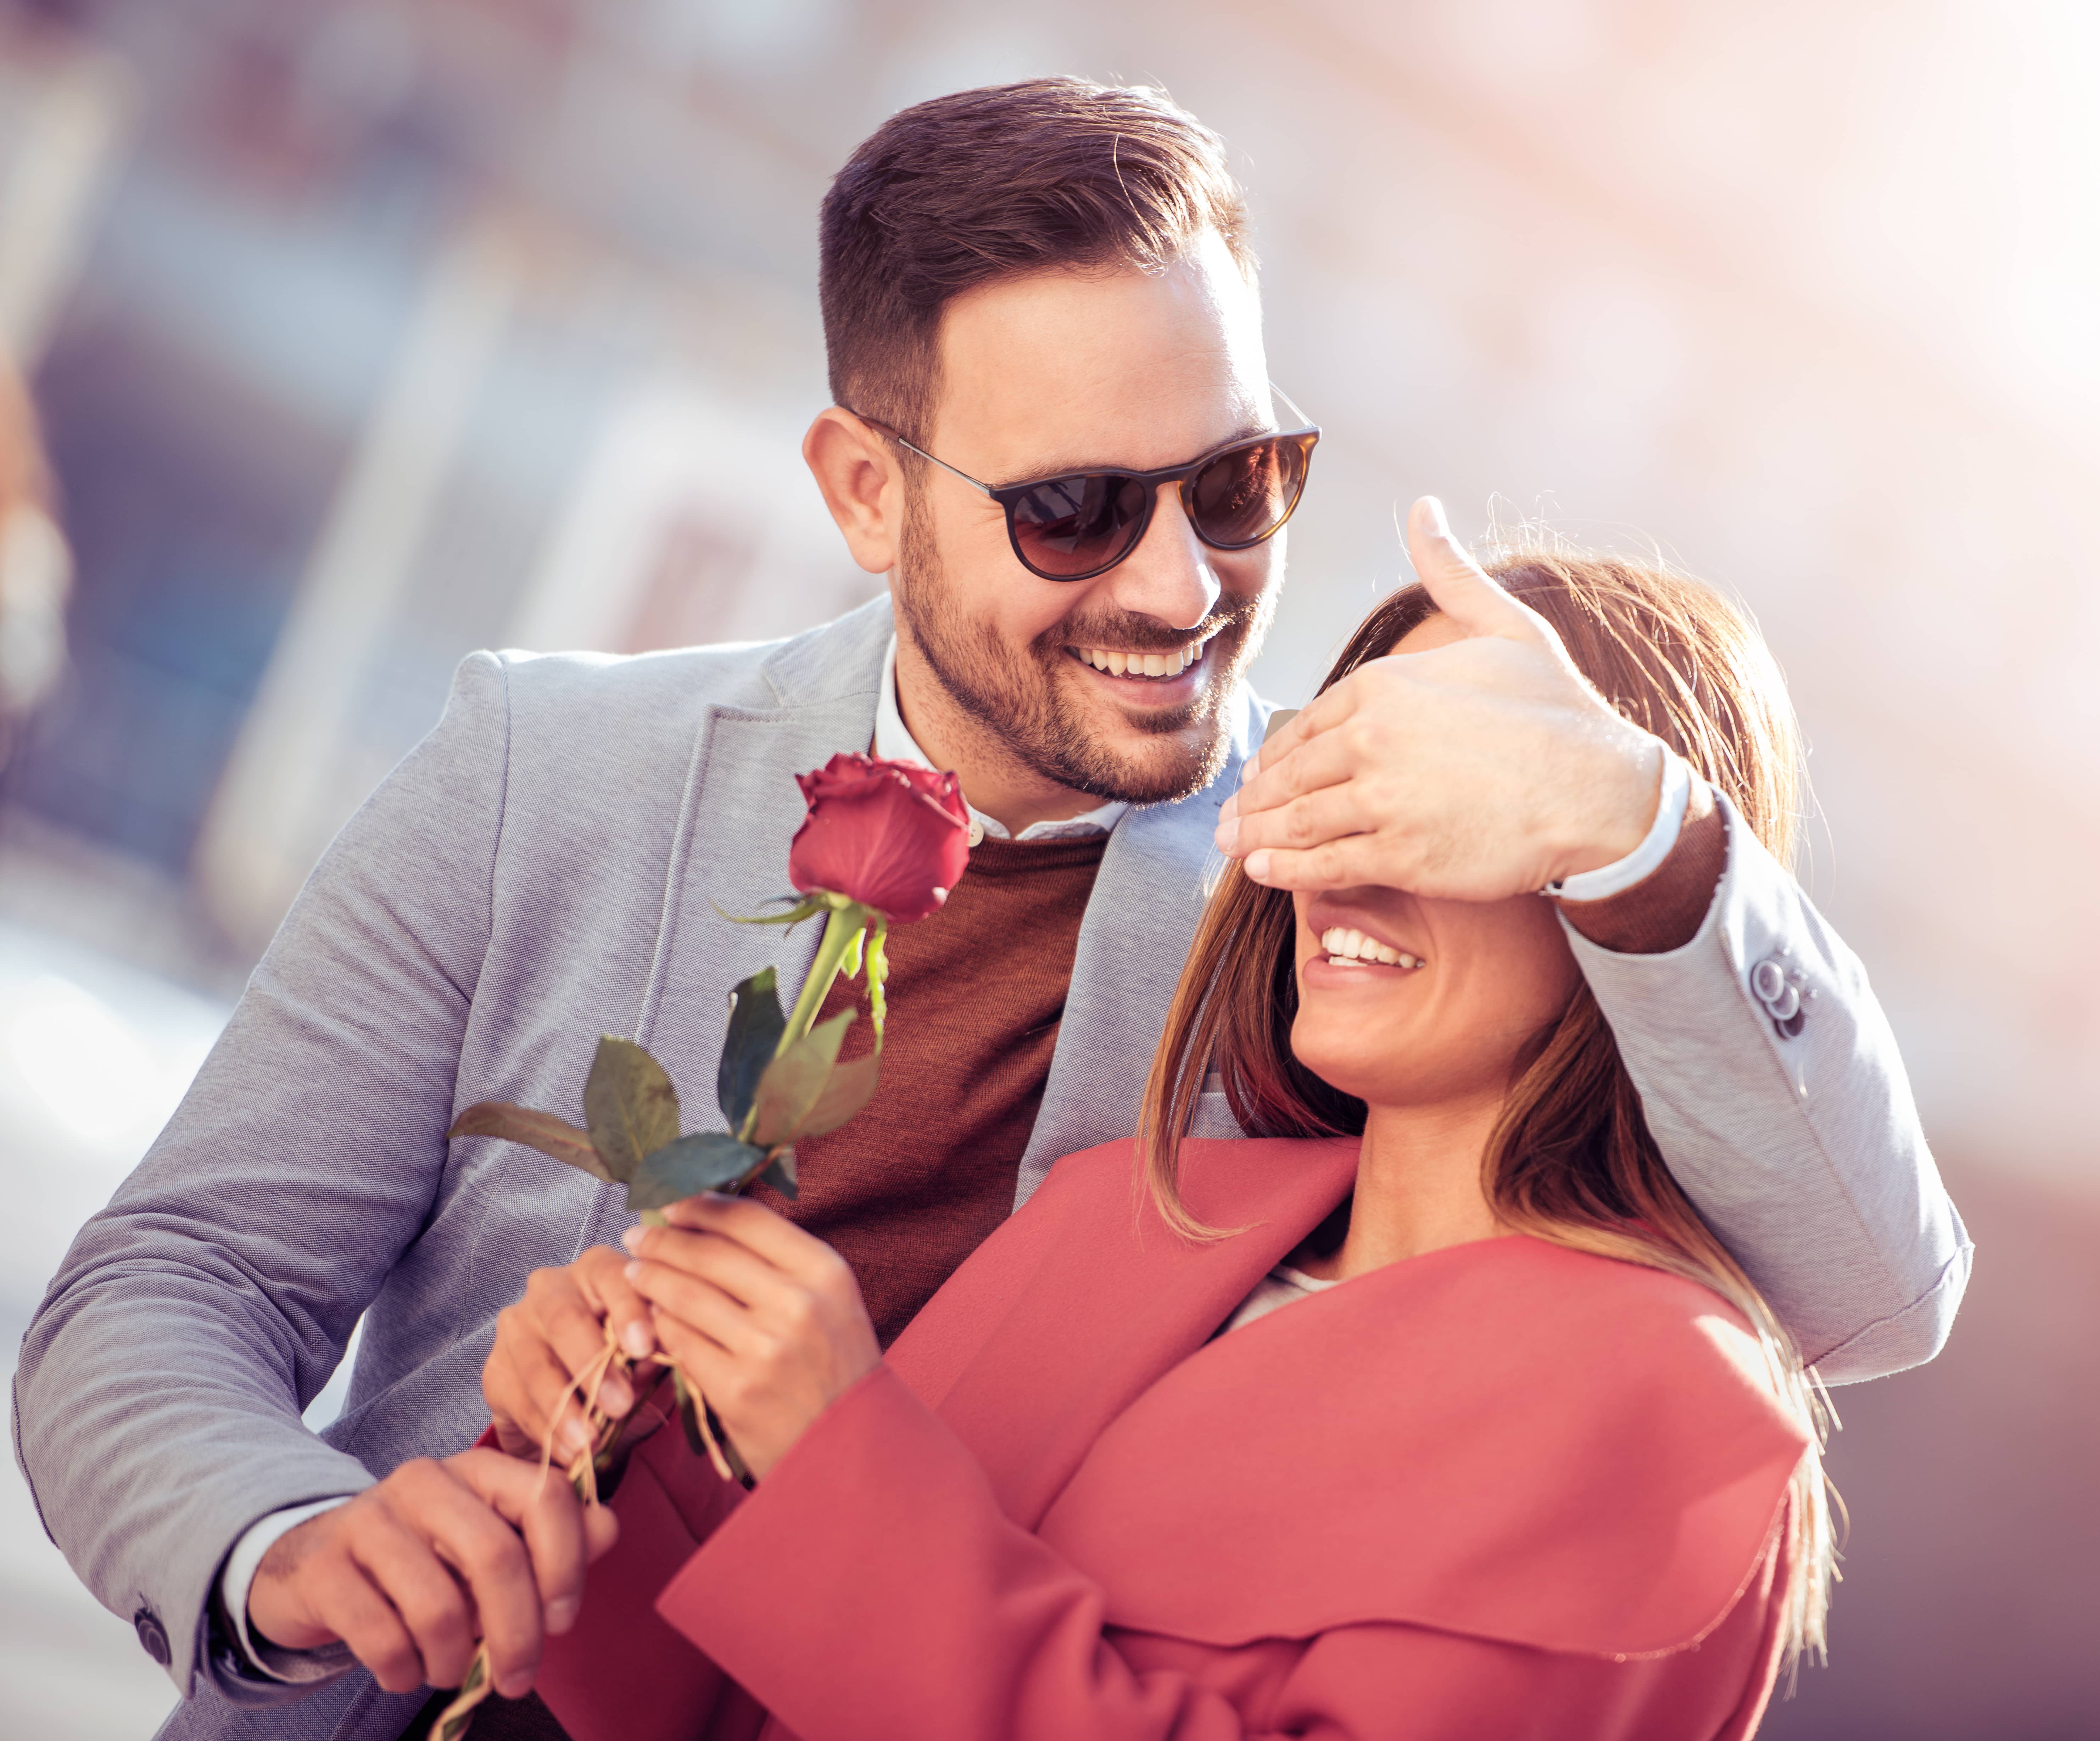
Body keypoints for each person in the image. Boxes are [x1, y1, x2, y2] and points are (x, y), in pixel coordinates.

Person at [13, 79, 1965, 1741]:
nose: (1181, 586)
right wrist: (299, 1546)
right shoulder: (549, 772)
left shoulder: (1332, 907)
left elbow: (1868, 1291)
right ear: (866, 492)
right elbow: (166, 1291)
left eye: (1243, 485)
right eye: (1073, 510)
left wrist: (1640, 834)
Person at [518, 547, 1838, 1741]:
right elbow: (739, 1706)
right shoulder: (1134, 1209)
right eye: (1339, 776)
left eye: (1447, 802)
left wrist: (841, 1475)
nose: (1348, 860)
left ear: (1618, 880)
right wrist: (593, 1486)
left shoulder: (1667, 1412)